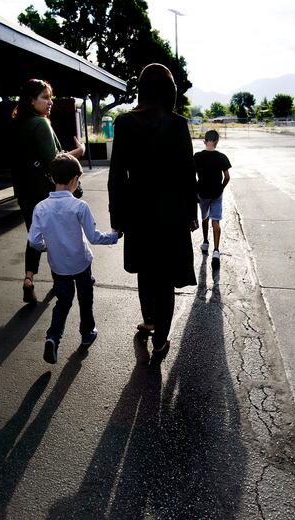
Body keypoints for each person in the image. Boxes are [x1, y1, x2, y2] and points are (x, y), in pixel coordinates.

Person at [108, 63, 199, 359]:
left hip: (138, 212)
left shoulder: (124, 123)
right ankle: (160, 340)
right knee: (166, 278)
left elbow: (117, 176)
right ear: (170, 91)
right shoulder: (178, 124)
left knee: (146, 271)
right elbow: (188, 174)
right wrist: (191, 214)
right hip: (172, 214)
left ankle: (148, 319)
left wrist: (117, 218)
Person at [29, 153, 120, 364]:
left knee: (63, 302)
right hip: (81, 264)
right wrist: (115, 236)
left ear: (53, 178)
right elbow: (94, 237)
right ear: (74, 180)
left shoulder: (40, 208)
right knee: (85, 299)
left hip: (58, 267)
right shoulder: (80, 206)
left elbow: (34, 241)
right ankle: (87, 333)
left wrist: (47, 246)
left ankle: (53, 337)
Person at [10, 78, 85, 305]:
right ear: (31, 100)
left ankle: (29, 278)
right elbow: (55, 162)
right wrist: (79, 151)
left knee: (34, 235)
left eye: (50, 97)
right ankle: (58, 281)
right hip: (44, 192)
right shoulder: (40, 124)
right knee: (52, 237)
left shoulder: (18, 124)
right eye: (44, 97)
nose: (49, 102)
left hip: (24, 190)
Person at [194, 129, 231, 268]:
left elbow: (191, 175)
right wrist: (221, 188)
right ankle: (216, 251)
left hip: (202, 193)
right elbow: (227, 177)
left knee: (205, 217)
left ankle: (205, 242)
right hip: (216, 192)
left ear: (204, 141)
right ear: (216, 142)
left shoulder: (197, 156)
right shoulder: (222, 157)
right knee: (216, 220)